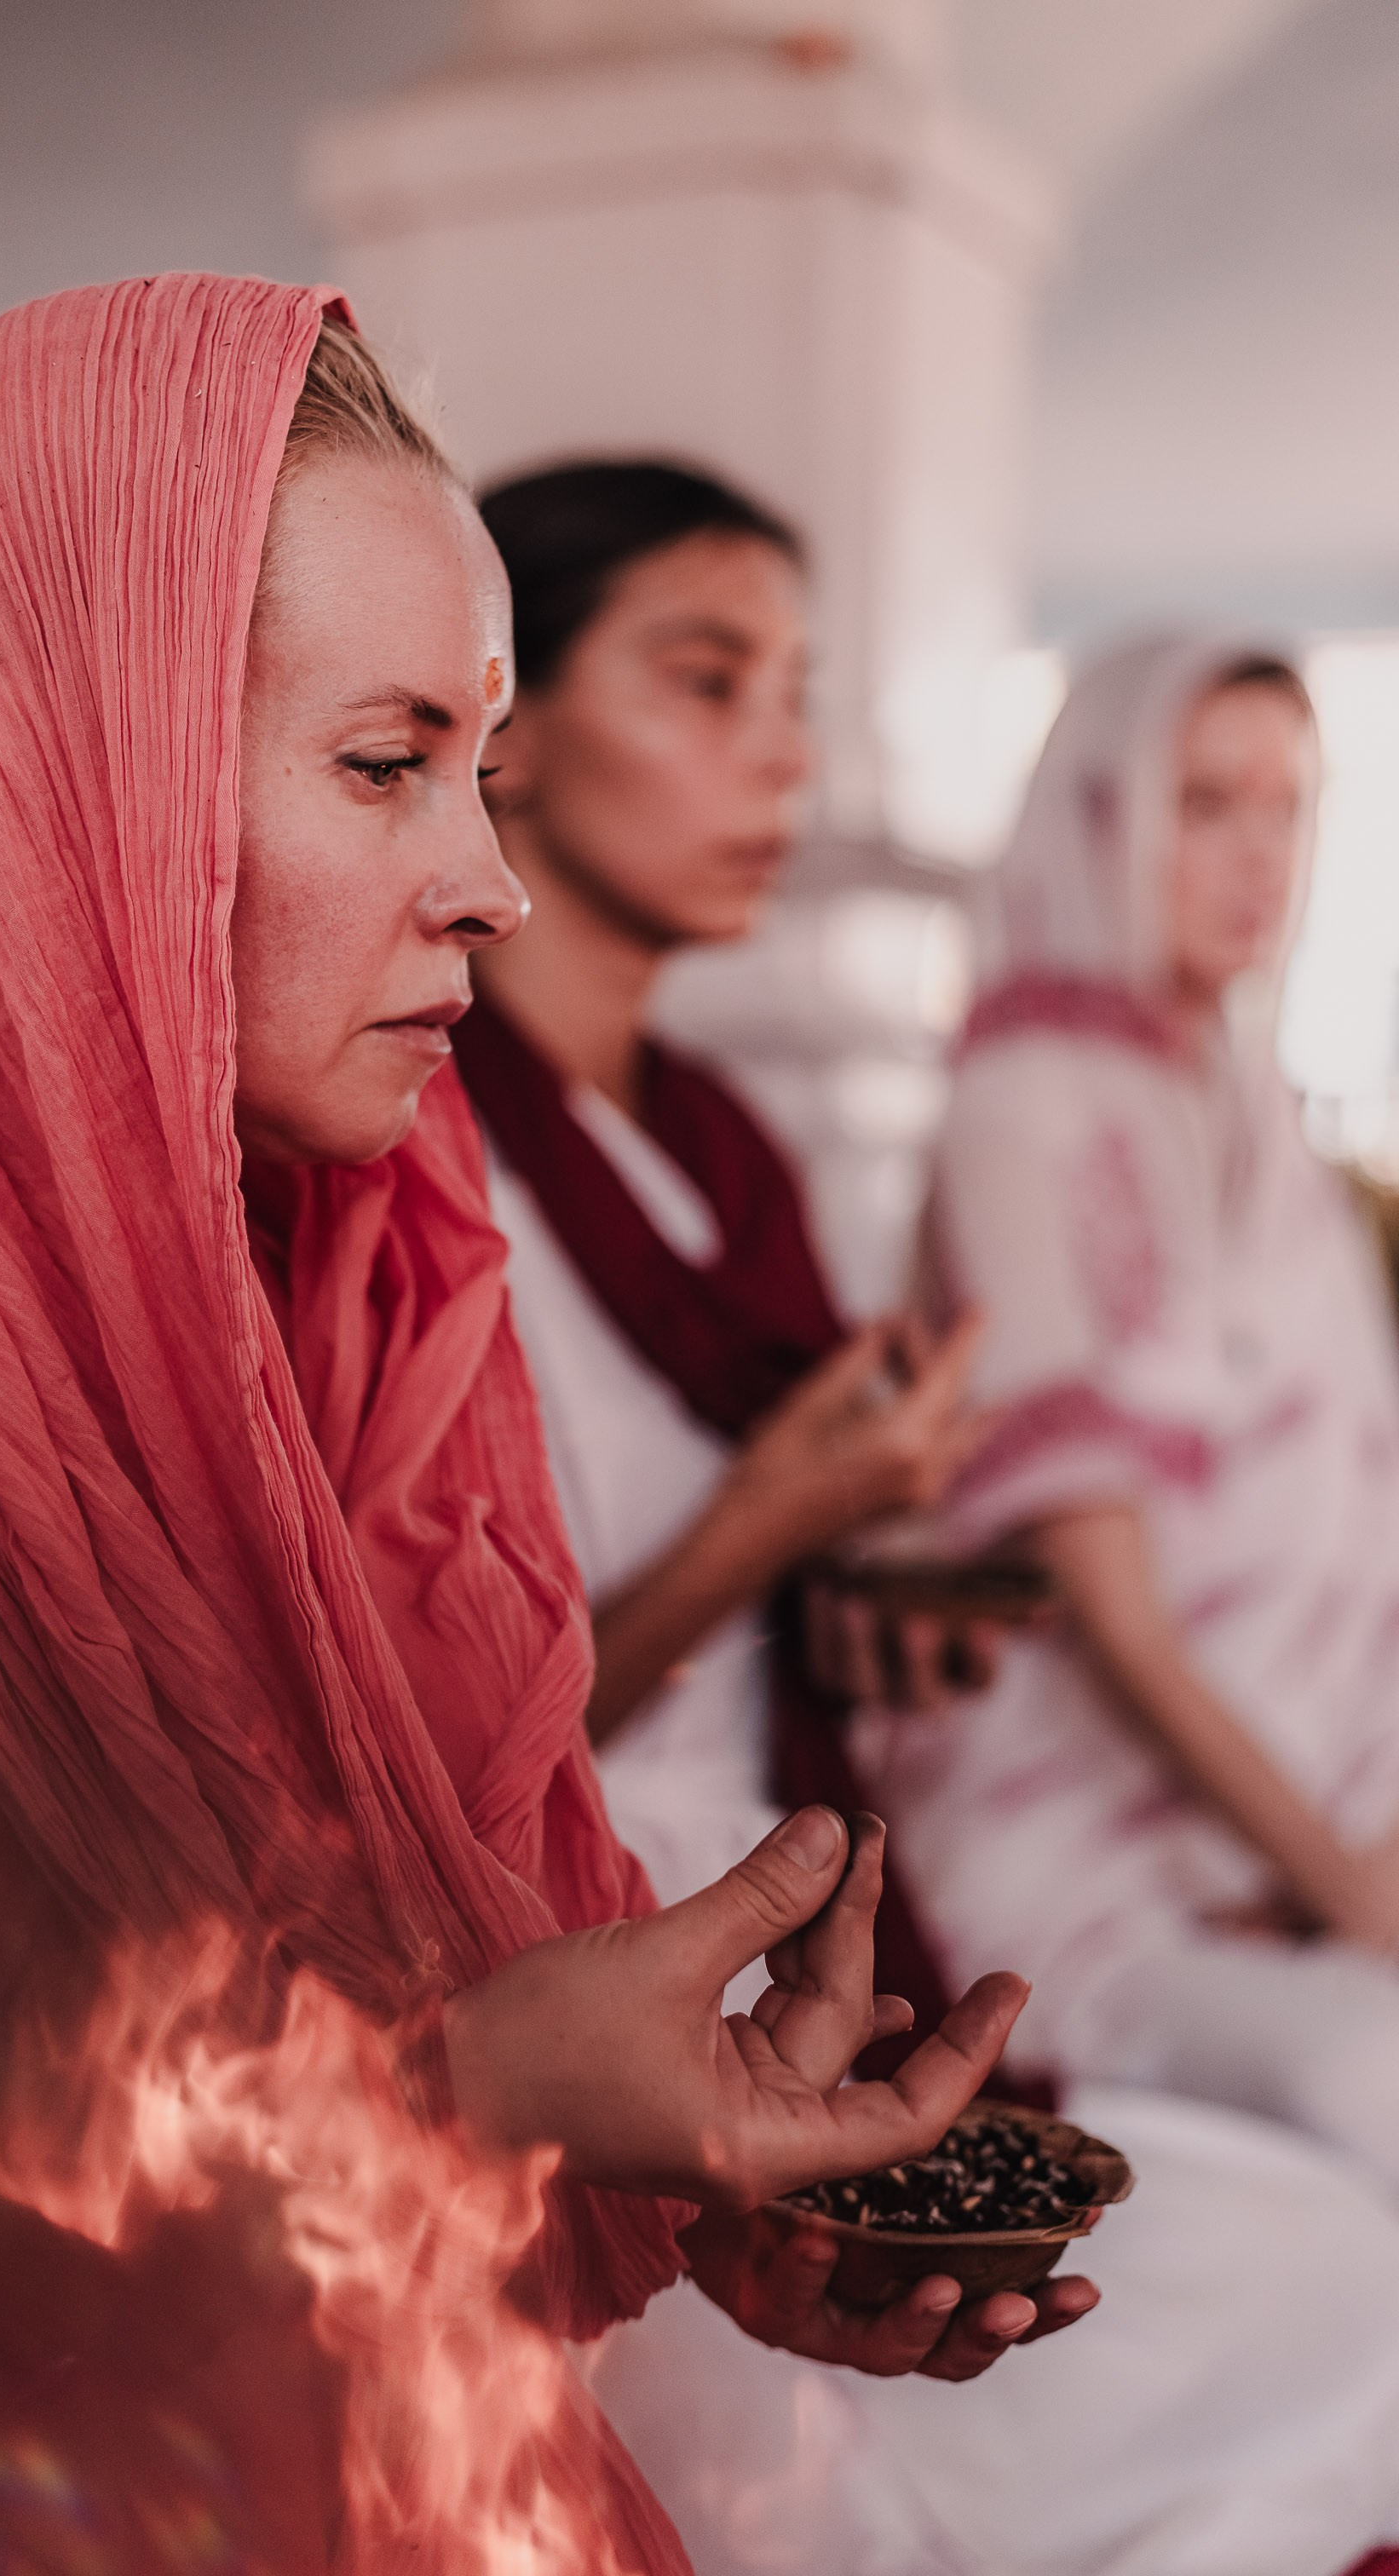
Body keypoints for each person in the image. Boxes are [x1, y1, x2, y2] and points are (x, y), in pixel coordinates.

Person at [0, 277, 1063, 2567]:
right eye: (378, 763)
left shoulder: (316, 1285)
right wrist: (485, 2098)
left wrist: (700, 2174)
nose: (490, 886)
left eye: (486, 775)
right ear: (54, 790)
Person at [463, 461, 1399, 2576]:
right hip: (576, 1994)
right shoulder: (422, 1156)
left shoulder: (720, 1151)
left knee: (1330, 2279)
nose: (788, 752)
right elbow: (419, 1728)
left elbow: (812, 1589)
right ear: (492, 721)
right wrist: (765, 1534)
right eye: (712, 683)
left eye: (801, 689)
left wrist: (850, 1593)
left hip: (813, 1948)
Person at [864, 633, 1399, 2185]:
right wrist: (1345, 1892)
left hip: (1309, 1828)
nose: (1256, 856)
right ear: (1100, 815)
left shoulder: (1244, 1109)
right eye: (1206, 801)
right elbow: (1113, 1612)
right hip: (1097, 1867)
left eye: (1285, 807)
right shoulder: (1027, 1107)